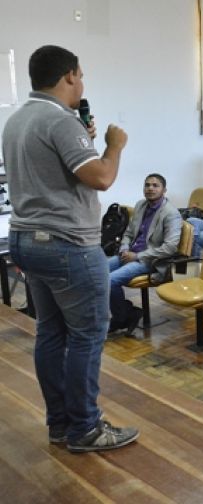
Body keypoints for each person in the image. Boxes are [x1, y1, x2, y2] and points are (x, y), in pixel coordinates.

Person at [3, 45, 138, 452]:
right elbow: (101, 177)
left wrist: (84, 141)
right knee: (87, 336)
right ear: (69, 76)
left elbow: (55, 172)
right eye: (81, 75)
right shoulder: (61, 121)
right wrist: (114, 145)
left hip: (26, 239)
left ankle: (60, 425)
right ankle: (86, 428)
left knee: (51, 332)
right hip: (67, 245)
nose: (82, 83)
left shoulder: (17, 119)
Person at [108, 173, 182, 334]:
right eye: (147, 185)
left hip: (151, 260)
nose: (150, 188)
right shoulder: (141, 205)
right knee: (96, 272)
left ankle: (120, 318)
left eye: (155, 185)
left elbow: (170, 247)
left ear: (164, 190)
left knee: (110, 281)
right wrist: (124, 248)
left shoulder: (171, 213)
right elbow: (128, 233)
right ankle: (128, 312)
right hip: (130, 254)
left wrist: (137, 256)